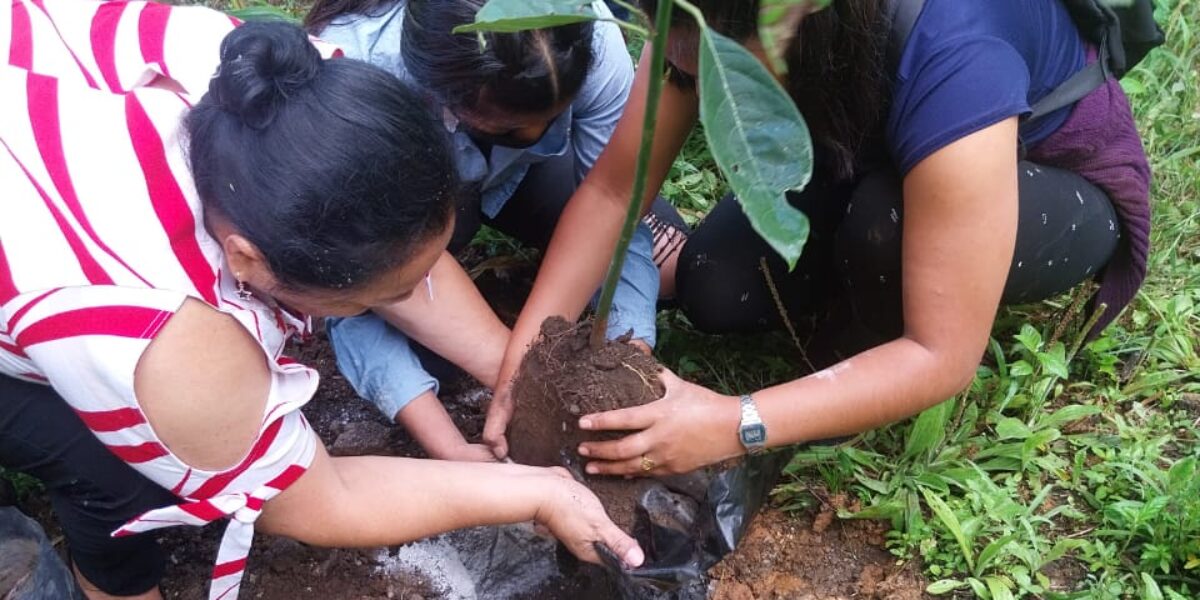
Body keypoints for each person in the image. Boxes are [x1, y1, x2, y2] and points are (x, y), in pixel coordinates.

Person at [0, 3, 644, 599]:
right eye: (386, 293)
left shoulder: (292, 93)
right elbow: (316, 498)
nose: (413, 292)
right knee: (111, 477)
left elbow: (408, 267)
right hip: (43, 268)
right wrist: (534, 493)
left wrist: (524, 376)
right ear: (247, 260)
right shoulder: (163, 342)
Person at [485, 0, 1151, 471]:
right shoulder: (702, 18)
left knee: (882, 230)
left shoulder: (956, 48)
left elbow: (942, 353)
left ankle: (862, 343)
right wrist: (523, 362)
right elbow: (611, 191)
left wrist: (733, 423)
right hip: (873, 153)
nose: (689, 69)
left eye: (715, 63)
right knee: (714, 286)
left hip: (1046, 180)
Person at [303, 0, 690, 458]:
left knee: (666, 272)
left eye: (551, 120)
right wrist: (462, 434)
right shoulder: (357, 79)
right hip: (417, 199)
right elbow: (341, 280)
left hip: (521, 178)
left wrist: (631, 347)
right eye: (508, 129)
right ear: (443, 93)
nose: (533, 134)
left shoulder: (582, 38)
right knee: (434, 359)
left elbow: (614, 199)